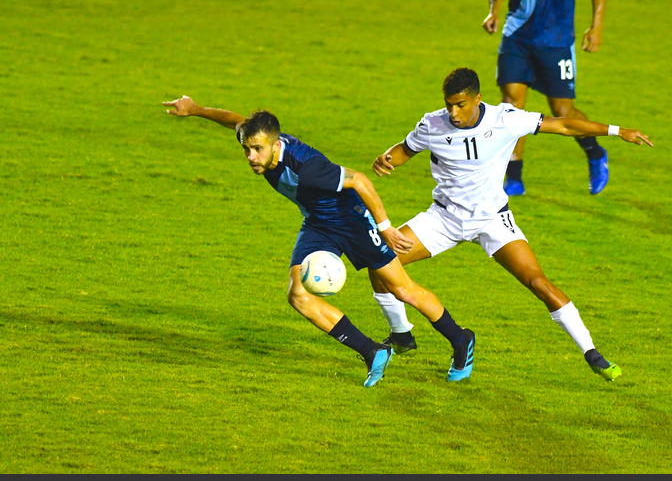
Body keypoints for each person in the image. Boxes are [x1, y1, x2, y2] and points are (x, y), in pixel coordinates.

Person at [162, 95, 476, 387]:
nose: (250, 156)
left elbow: (359, 180)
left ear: (274, 144)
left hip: (351, 220)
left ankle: (460, 339)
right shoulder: (258, 139)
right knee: (297, 294)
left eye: (257, 149)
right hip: (318, 223)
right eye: (247, 149)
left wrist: (384, 227)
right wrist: (196, 109)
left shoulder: (308, 168)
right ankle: (372, 351)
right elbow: (235, 120)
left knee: (402, 288)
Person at [369, 68, 652, 382]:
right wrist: (387, 159)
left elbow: (564, 125)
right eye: (449, 104)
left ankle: (592, 353)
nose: (453, 112)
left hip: (492, 220)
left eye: (460, 104)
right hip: (444, 218)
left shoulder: (505, 119)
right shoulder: (431, 123)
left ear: (477, 99)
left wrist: (616, 130)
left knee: (538, 282)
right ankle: (402, 336)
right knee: (380, 260)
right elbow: (405, 150)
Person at [482, 0, 609, 197]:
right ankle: (513, 176)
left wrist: (596, 26)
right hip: (517, 36)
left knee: (562, 111)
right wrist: (494, 10)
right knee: (511, 106)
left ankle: (595, 153)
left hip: (555, 41)